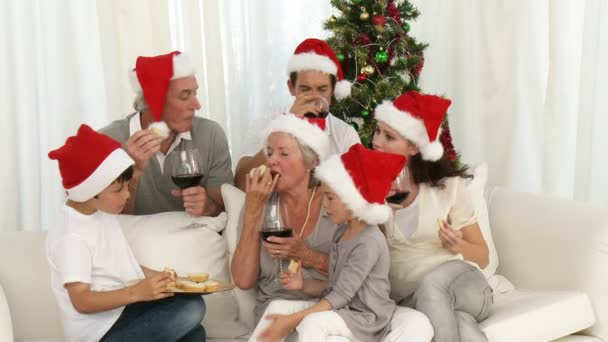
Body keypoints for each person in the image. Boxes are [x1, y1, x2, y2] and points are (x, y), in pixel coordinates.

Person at [249, 144, 434, 342]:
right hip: (345, 311)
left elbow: (341, 296)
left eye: (330, 198)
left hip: (366, 319)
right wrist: (304, 285)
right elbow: (334, 286)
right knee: (278, 307)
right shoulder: (341, 233)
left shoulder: (368, 242)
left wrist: (289, 321)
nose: (324, 205)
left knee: (313, 322)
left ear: (353, 199)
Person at [46, 125, 206, 342]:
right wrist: (138, 292)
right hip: (100, 334)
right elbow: (81, 301)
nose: (127, 196)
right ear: (91, 191)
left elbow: (114, 265)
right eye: (118, 190)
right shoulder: (71, 236)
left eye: (126, 187)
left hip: (121, 314)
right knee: (191, 310)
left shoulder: (99, 211)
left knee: (195, 332)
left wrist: (156, 277)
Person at [372, 91, 492, 342]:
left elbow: (482, 257)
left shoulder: (448, 186)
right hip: (413, 300)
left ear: (414, 146)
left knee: (431, 286)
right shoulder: (371, 187)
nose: (377, 142)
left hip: (465, 287)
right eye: (377, 132)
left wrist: (457, 244)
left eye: (389, 137)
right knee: (462, 328)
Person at [231, 114, 341, 326]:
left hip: (326, 310)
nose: (272, 160)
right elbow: (243, 280)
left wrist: (307, 256)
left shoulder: (334, 202)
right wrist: (253, 211)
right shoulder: (257, 203)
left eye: (284, 153)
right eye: (269, 153)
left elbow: (359, 271)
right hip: (274, 312)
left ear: (312, 161)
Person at [100, 51, 233, 216]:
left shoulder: (211, 135)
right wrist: (132, 175)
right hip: (134, 240)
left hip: (196, 239)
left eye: (195, 93)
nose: (197, 105)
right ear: (153, 101)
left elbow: (225, 210)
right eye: (185, 97)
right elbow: (108, 222)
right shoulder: (108, 142)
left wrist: (208, 206)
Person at [234, 38, 360, 190]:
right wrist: (285, 127)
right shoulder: (266, 123)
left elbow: (358, 192)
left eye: (322, 89)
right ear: (291, 88)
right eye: (305, 89)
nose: (314, 98)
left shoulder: (344, 134)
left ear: (333, 90)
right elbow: (241, 182)